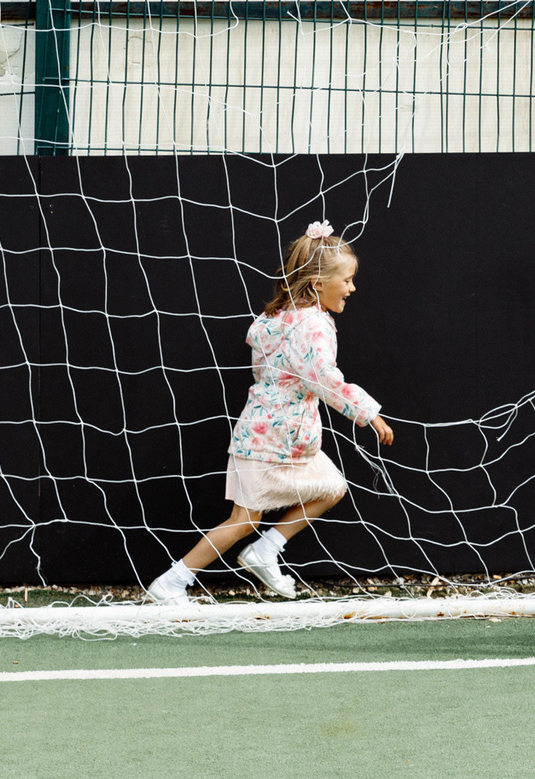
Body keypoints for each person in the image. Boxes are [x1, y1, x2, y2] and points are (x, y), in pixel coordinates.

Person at [146, 223, 392, 603]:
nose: (352, 288)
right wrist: (367, 413)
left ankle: (265, 549)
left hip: (284, 440)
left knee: (331, 487)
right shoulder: (311, 325)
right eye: (346, 280)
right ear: (315, 284)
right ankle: (171, 583)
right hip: (267, 442)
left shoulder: (278, 319)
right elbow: (323, 378)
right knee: (243, 521)